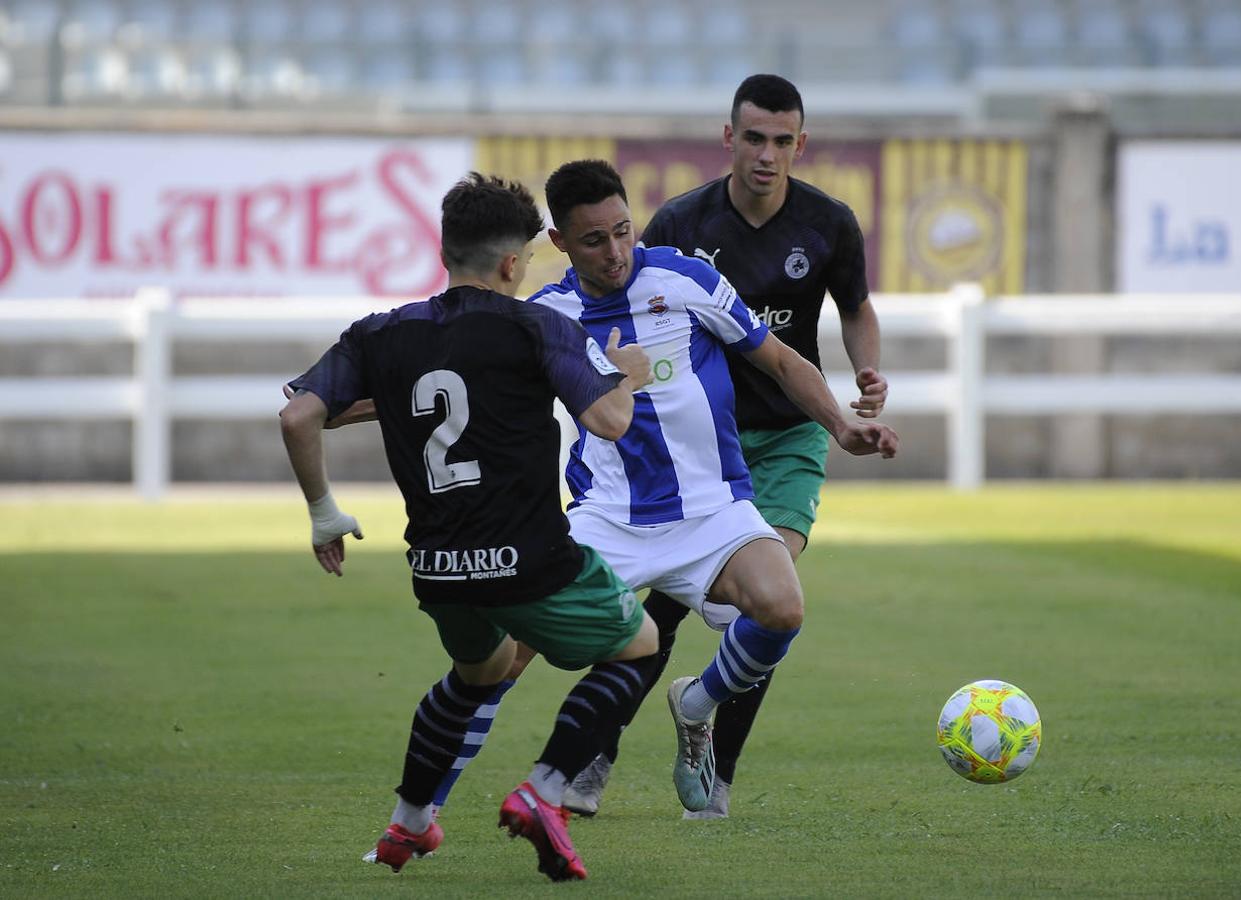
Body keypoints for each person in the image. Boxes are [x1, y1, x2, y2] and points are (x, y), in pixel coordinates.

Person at [423, 158, 898, 817]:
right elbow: (459, 390)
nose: (617, 252)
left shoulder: (686, 277)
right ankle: (420, 815)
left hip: (711, 510)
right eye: (594, 239)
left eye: (624, 230)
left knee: (783, 607)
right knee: (500, 662)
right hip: (605, 519)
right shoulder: (544, 316)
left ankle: (697, 702)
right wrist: (341, 402)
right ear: (558, 243)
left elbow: (782, 359)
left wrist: (841, 426)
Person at [279, 172, 661, 882]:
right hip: (531, 562)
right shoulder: (539, 326)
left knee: (478, 671)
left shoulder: (382, 334)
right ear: (515, 263)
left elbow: (301, 413)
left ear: (446, 249)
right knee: (640, 645)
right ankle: (545, 792)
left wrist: (324, 513)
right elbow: (607, 421)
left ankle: (409, 824)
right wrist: (625, 374)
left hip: (439, 570)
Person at [565, 73, 890, 820]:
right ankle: (593, 756)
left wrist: (867, 373)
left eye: (782, 141)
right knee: (659, 611)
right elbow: (629, 318)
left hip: (786, 438)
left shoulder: (829, 224)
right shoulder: (680, 224)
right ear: (729, 139)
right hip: (694, 447)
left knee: (769, 601)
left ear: (800, 145)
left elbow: (857, 308)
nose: (767, 154)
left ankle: (713, 765)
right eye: (754, 138)